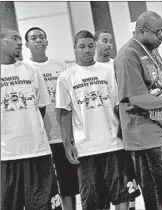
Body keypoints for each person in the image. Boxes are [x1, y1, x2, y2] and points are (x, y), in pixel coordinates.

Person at [114, 11, 162, 210]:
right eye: (158, 32)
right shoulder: (128, 56)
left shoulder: (152, 49)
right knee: (158, 190)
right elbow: (137, 97)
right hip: (143, 134)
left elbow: (160, 81)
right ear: (141, 31)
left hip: (161, 129)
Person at [55, 30, 135, 210]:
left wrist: (127, 134)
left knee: (120, 192)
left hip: (113, 142)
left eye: (91, 46)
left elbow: (119, 106)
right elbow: (65, 112)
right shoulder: (66, 76)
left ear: (95, 46)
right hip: (85, 147)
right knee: (91, 198)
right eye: (82, 46)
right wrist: (67, 143)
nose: (87, 50)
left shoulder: (109, 71)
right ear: (75, 48)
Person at [1, 29, 62, 210]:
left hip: (38, 151)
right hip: (7, 156)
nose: (20, 42)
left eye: (20, 38)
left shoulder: (32, 71)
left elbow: (42, 107)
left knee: (46, 205)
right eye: (14, 39)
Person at [24, 26, 79, 210]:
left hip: (62, 134)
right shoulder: (26, 69)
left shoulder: (60, 65)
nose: (38, 40)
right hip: (41, 139)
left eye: (41, 37)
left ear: (47, 42)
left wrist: (70, 133)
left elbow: (70, 100)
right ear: (27, 44)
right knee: (48, 187)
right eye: (34, 38)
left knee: (69, 185)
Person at [94, 29, 141, 210]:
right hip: (100, 133)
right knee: (104, 182)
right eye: (104, 41)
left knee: (127, 176)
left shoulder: (117, 64)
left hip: (122, 128)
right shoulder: (89, 70)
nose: (108, 45)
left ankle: (131, 206)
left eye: (111, 41)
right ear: (95, 43)